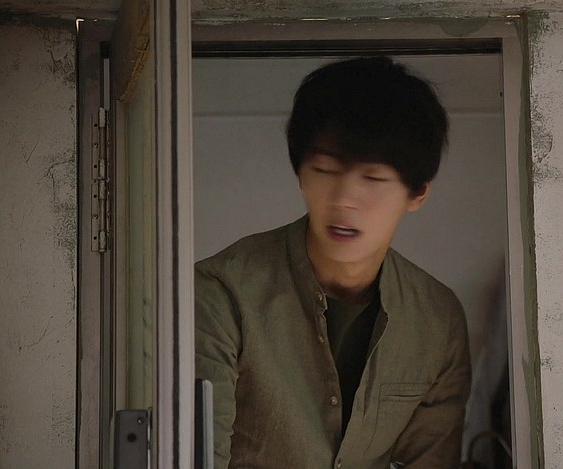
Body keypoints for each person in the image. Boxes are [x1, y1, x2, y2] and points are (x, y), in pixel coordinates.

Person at [195, 56, 472, 469]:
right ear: (300, 175)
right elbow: (196, 454)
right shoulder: (222, 292)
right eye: (324, 170)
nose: (343, 200)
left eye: (373, 178)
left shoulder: (437, 317)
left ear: (417, 193)